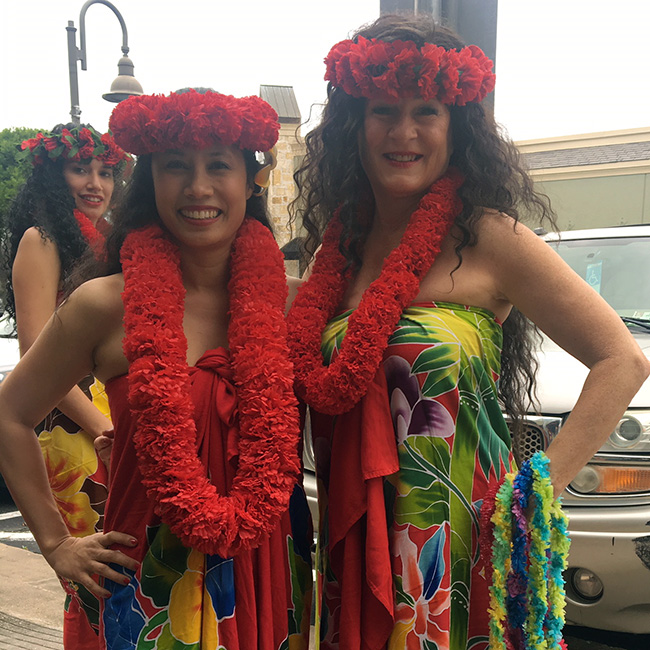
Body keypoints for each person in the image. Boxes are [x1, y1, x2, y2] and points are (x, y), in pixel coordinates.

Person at [286, 14, 650, 650]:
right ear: (354, 126)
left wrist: (538, 490)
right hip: (354, 531)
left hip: (465, 534)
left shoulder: (489, 237)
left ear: (457, 126)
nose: (404, 132)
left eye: (426, 110)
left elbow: (621, 359)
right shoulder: (334, 252)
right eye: (382, 111)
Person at [0, 89, 312, 649]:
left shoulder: (296, 306)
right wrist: (54, 542)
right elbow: (9, 412)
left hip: (267, 569)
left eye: (219, 165)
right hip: (142, 578)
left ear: (250, 181)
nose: (198, 187)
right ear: (151, 182)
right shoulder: (103, 304)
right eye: (176, 167)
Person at [2, 123, 128, 647]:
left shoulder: (106, 237)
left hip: (100, 415)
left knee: (118, 561)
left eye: (106, 171)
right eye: (81, 169)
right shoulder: (43, 238)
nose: (95, 182)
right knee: (94, 573)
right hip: (69, 419)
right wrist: (105, 423)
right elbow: (35, 348)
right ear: (54, 176)